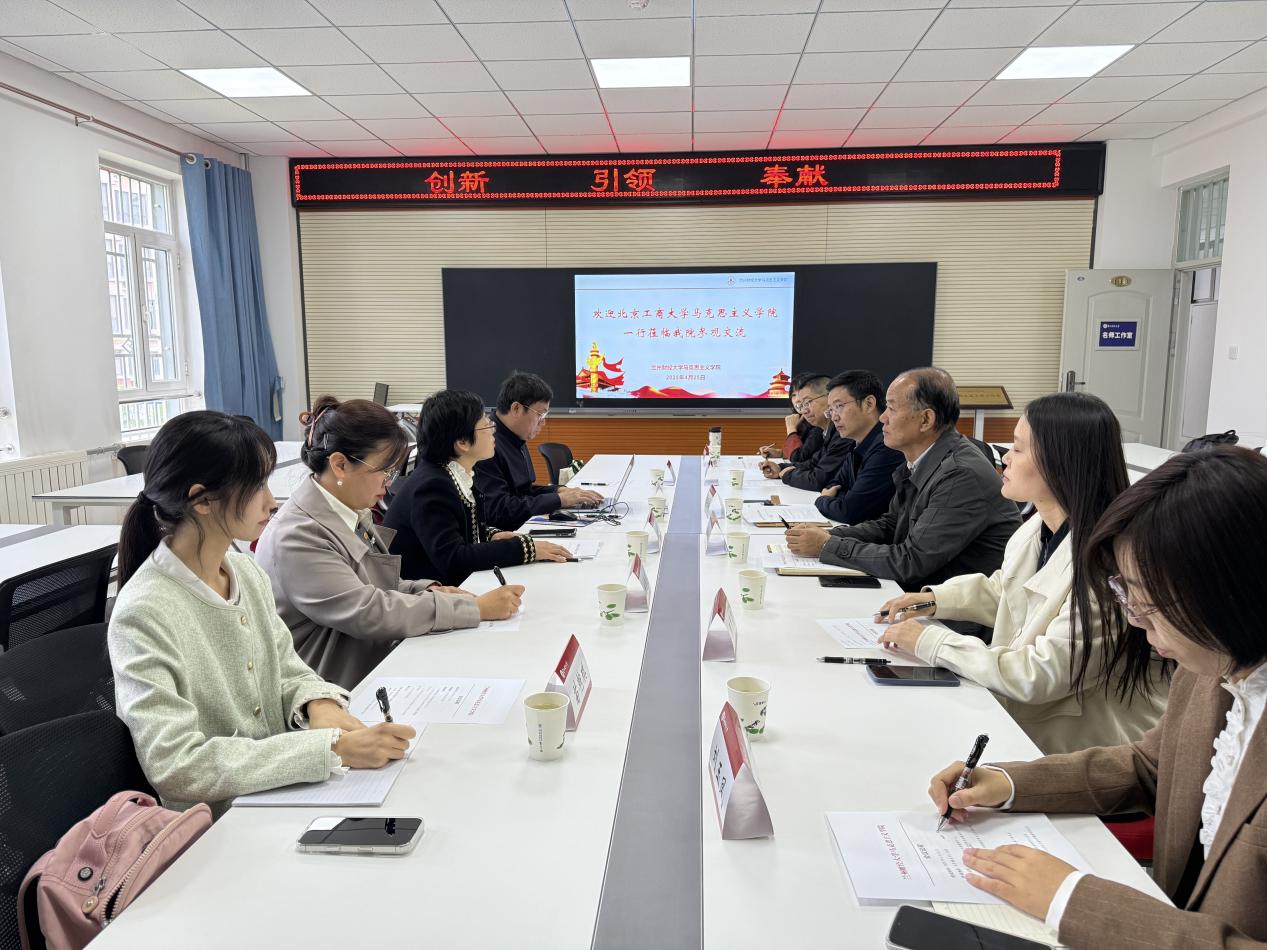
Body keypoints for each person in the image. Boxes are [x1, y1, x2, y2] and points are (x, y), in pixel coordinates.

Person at [928, 446, 1267, 949]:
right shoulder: (1212, 664)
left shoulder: (1210, 651)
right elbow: (1149, 767)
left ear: (1233, 591)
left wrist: (1074, 900)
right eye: (1128, 595)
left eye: (1150, 602)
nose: (1135, 620)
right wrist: (1009, 783)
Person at [108, 411, 415, 818]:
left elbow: (287, 668)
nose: (271, 501)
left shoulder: (244, 572)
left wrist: (317, 702)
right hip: (219, 823)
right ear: (202, 499)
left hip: (283, 795)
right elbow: (177, 765)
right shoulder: (145, 612)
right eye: (256, 487)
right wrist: (330, 748)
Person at [875, 392, 1167, 754]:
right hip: (1027, 718)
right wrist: (934, 600)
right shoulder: (1037, 528)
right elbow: (1009, 591)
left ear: (1060, 461)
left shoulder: (1107, 563)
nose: (1005, 458)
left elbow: (1041, 674)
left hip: (1087, 745)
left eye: (1017, 448)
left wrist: (931, 642)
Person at [256, 396, 524, 689]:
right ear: (340, 464)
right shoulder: (296, 536)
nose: (389, 482)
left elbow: (377, 583)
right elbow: (368, 611)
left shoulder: (348, 509)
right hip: (334, 685)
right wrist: (475, 609)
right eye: (384, 470)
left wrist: (428, 589)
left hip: (371, 661)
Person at [786, 367, 1020, 591]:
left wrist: (827, 546)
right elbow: (892, 524)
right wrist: (829, 535)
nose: (882, 418)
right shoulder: (919, 458)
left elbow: (911, 561)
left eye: (891, 408)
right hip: (924, 593)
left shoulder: (960, 474)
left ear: (926, 420)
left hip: (950, 608)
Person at [386, 389, 571, 585]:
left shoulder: (453, 473)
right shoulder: (432, 486)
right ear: (462, 442)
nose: (493, 430)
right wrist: (526, 549)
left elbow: (458, 529)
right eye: (486, 425)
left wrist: (490, 535)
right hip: (426, 594)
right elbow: (454, 558)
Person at [475, 372, 602, 530]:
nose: (543, 422)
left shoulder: (515, 436)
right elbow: (499, 510)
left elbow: (523, 492)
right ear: (516, 408)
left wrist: (558, 490)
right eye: (540, 415)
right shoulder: (487, 443)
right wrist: (559, 500)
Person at [814, 370, 904, 525]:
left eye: (839, 406)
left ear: (869, 404)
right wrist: (842, 499)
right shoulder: (857, 443)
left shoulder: (887, 447)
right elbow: (834, 483)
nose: (834, 417)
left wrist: (822, 500)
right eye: (831, 410)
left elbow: (850, 512)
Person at [759, 374, 851, 490]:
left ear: (829, 398)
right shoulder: (828, 431)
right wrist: (780, 468)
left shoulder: (843, 432)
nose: (804, 410)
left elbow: (819, 479)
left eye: (808, 402)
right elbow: (813, 463)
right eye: (800, 405)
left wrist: (787, 474)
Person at [758, 372, 817, 462]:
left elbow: (799, 459)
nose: (797, 400)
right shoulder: (802, 420)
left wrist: (791, 429)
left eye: (801, 395)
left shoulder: (818, 423)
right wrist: (780, 453)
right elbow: (805, 452)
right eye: (794, 395)